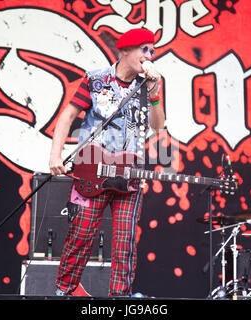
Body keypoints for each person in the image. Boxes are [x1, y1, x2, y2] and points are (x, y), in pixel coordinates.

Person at [49, 28, 165, 296]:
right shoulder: (95, 79)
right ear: (126, 50)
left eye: (152, 50)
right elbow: (67, 116)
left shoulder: (149, 86)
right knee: (80, 235)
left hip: (130, 176)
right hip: (92, 171)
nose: (150, 55)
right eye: (145, 49)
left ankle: (119, 298)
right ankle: (64, 291)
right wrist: (55, 155)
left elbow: (158, 127)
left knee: (125, 244)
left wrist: (155, 92)